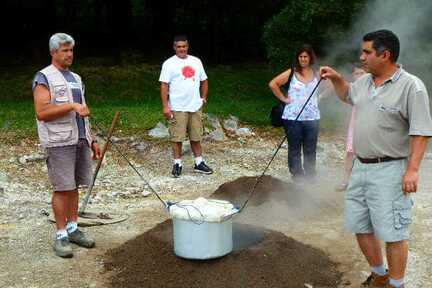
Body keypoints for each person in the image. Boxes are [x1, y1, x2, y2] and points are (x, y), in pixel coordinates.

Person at [320, 29, 432, 288]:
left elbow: (420, 132)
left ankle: (396, 284)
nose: (362, 57)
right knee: (360, 225)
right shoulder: (365, 83)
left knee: (393, 233)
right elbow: (348, 95)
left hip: (390, 169)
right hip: (360, 167)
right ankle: (380, 274)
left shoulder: (411, 87)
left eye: (367, 52)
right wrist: (337, 79)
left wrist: (412, 170)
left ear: (385, 55)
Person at [33, 33, 101, 258]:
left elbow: (84, 112)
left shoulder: (76, 78)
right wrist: (72, 105)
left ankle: (73, 228)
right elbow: (42, 113)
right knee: (62, 188)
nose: (70, 54)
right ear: (54, 52)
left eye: (71, 50)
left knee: (74, 187)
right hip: (58, 141)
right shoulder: (44, 77)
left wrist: (92, 139)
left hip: (79, 139)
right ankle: (60, 234)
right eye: (65, 50)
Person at [159, 35, 213, 177]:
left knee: (196, 135)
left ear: (187, 47)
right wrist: (165, 106)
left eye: (184, 46)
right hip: (177, 106)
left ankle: (199, 163)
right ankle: (177, 164)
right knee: (177, 137)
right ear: (174, 47)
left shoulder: (196, 61)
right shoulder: (169, 64)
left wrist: (203, 98)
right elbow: (164, 85)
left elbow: (204, 80)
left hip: (194, 106)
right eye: (179, 47)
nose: (182, 49)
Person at [268, 44, 321, 182]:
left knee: (310, 148)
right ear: (298, 58)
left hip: (312, 117)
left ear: (310, 58)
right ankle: (297, 176)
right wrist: (284, 99)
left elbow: (332, 85)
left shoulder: (317, 73)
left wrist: (319, 98)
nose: (303, 59)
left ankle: (310, 175)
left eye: (306, 56)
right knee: (294, 147)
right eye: (300, 56)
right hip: (292, 117)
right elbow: (273, 84)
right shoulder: (291, 72)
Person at [336, 64, 366, 191]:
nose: (359, 76)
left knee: (365, 153)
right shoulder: (352, 88)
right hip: (354, 124)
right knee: (350, 152)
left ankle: (363, 183)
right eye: (356, 73)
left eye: (361, 73)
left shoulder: (372, 87)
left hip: (369, 125)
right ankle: (345, 181)